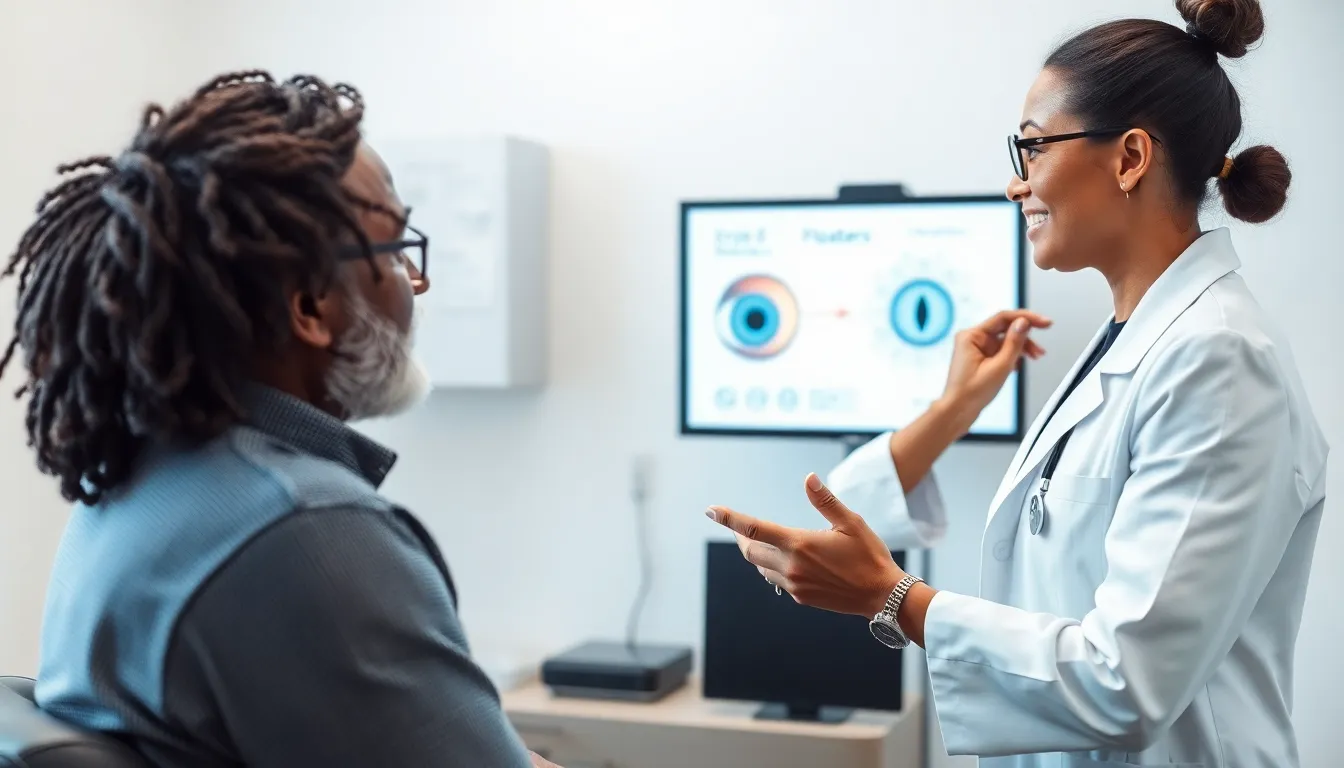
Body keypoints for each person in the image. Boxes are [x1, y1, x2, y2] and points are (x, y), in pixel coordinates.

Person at [707, 1, 1327, 766]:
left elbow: (1125, 681)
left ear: (1130, 157)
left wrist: (897, 600)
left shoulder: (1221, 361)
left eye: (1032, 149)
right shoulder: (1131, 340)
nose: (1015, 184)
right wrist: (955, 407)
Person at [3, 71, 557, 768]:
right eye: (394, 253)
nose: (418, 285)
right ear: (311, 307)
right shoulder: (307, 530)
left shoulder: (143, 477)